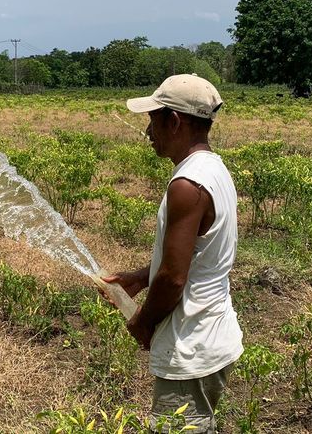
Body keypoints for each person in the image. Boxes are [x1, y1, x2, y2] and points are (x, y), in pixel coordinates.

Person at [102, 74, 243, 433]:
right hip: (214, 336)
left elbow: (174, 277)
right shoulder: (215, 169)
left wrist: (143, 322)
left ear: (175, 122)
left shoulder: (186, 185)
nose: (148, 132)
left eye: (153, 120)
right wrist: (138, 277)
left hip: (189, 347)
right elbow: (193, 256)